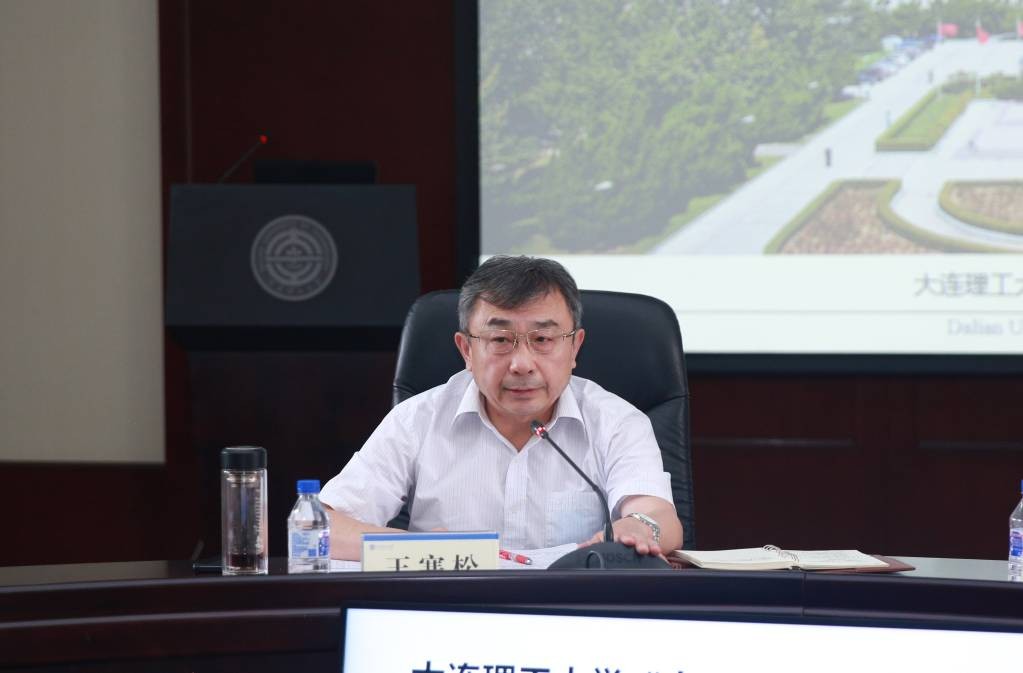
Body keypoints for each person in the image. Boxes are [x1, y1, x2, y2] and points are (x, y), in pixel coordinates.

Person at [320, 255, 683, 560]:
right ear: (466, 350)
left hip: (571, 612)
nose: (522, 364)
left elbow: (658, 515)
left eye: (543, 339)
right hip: (450, 612)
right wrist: (420, 549)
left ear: (574, 347)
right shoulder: (417, 420)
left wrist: (639, 526)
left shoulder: (616, 421)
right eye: (500, 340)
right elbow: (321, 527)